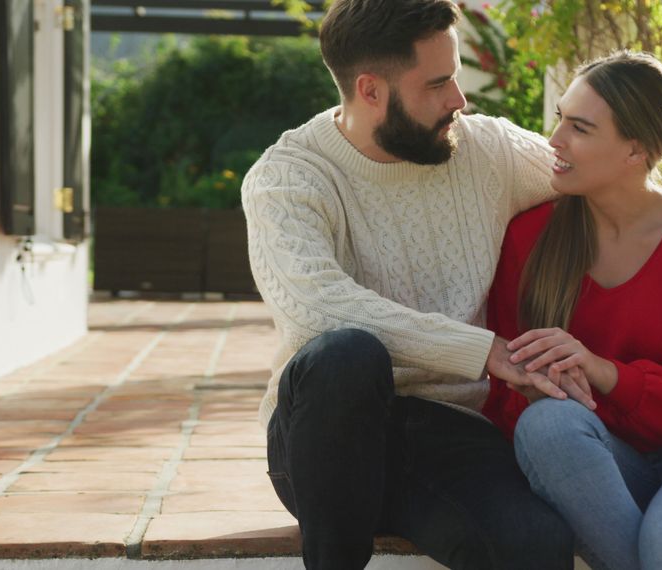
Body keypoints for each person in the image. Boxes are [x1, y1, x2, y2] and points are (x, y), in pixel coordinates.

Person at [241, 1, 585, 568]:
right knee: (346, 353)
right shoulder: (286, 176)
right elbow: (315, 309)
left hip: (446, 435)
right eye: (440, 82)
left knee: (537, 545)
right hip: (326, 431)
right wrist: (483, 351)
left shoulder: (484, 149)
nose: (460, 99)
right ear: (371, 90)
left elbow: (592, 171)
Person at [482, 51, 662, 570]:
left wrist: (603, 372)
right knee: (546, 426)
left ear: (635, 150)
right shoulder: (530, 239)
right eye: (560, 121)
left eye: (580, 128)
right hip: (602, 457)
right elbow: (505, 392)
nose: (555, 141)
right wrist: (534, 389)